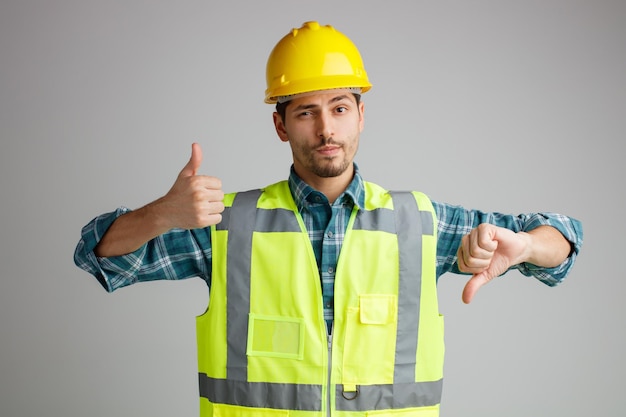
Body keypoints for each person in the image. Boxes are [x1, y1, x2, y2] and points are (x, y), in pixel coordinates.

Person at [74, 21, 583, 417]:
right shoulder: (228, 226)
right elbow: (99, 256)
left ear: (362, 115)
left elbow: (564, 238)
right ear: (280, 125)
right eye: (306, 112)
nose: (326, 129)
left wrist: (527, 246)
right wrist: (163, 214)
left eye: (340, 108)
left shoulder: (420, 224)